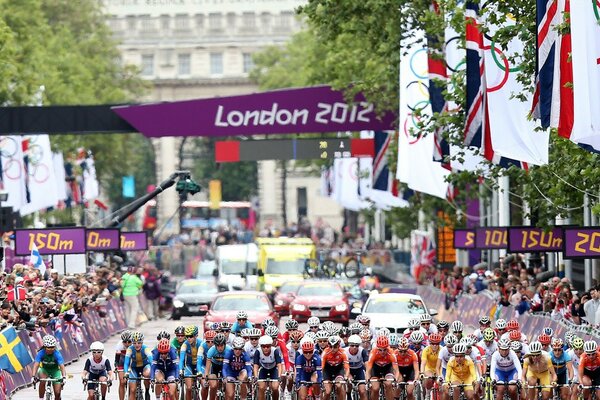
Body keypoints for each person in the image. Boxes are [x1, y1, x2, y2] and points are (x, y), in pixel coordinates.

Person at [32, 335, 67, 400]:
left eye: (52, 347)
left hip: (55, 371)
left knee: (57, 393)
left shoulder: (57, 353)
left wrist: (64, 377)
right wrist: (33, 376)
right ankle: (41, 398)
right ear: (45, 347)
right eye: (49, 348)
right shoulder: (41, 353)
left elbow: (62, 367)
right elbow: (36, 365)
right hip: (44, 370)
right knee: (42, 380)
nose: (51, 350)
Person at [365, 335, 399, 400]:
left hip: (387, 369)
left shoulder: (391, 353)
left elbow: (396, 370)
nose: (382, 352)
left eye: (385, 350)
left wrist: (395, 380)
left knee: (388, 384)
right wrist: (368, 381)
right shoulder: (373, 352)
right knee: (375, 388)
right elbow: (368, 370)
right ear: (377, 347)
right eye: (380, 350)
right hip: (376, 369)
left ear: (388, 347)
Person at [123, 331, 153, 400]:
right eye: (134, 343)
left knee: (147, 374)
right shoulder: (130, 349)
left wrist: (153, 373)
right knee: (132, 390)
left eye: (139, 343)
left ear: (142, 343)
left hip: (145, 366)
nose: (137, 345)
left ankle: (147, 391)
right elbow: (126, 363)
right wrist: (126, 372)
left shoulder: (146, 349)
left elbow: (152, 362)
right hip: (134, 368)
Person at [253, 335, 283, 400]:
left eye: (268, 346)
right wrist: (255, 377)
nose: (265, 348)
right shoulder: (258, 351)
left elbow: (279, 365)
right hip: (263, 369)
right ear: (261, 346)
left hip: (273, 369)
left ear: (271, 346)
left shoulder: (275, 351)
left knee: (275, 387)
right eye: (263, 346)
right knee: (261, 387)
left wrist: (279, 376)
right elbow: (256, 365)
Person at [321, 335, 350, 400]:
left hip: (338, 370)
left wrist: (346, 377)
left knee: (339, 386)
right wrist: (320, 376)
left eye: (335, 347)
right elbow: (321, 367)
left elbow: (347, 368)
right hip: (327, 370)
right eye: (330, 346)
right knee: (327, 391)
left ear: (339, 346)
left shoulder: (343, 352)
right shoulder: (325, 352)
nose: (332, 349)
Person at [179, 325, 203, 400]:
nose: (188, 338)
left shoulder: (201, 343)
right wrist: (180, 370)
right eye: (187, 336)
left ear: (196, 336)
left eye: (191, 336)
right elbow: (181, 359)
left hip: (199, 366)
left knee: (204, 385)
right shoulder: (185, 345)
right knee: (188, 388)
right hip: (189, 366)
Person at [206, 333, 231, 400]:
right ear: (215, 345)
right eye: (218, 346)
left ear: (225, 344)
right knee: (213, 385)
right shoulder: (211, 350)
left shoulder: (229, 350)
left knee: (228, 385)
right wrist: (206, 376)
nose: (220, 348)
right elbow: (208, 365)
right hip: (215, 367)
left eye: (221, 345)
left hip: (225, 367)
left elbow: (231, 364)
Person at [115, 331, 133, 400]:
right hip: (122, 361)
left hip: (132, 361)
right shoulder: (119, 345)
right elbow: (117, 359)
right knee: (122, 382)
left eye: (129, 341)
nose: (127, 344)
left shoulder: (135, 344)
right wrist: (116, 366)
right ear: (122, 341)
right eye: (125, 342)